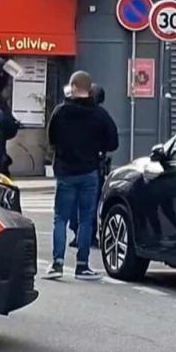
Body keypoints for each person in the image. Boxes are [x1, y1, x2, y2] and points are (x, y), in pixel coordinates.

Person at [45, 71, 118, 281]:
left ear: (73, 85)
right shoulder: (99, 114)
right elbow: (113, 142)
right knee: (86, 219)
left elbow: (52, 138)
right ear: (89, 88)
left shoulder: (60, 111)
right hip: (89, 171)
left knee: (60, 218)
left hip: (66, 171)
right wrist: (98, 148)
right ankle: (82, 265)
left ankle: (57, 263)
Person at [68, 83, 109, 248]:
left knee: (72, 200)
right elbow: (112, 141)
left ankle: (76, 232)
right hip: (92, 165)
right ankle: (87, 235)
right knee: (90, 201)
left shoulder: (68, 111)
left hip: (69, 166)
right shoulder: (100, 115)